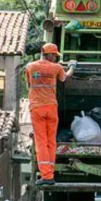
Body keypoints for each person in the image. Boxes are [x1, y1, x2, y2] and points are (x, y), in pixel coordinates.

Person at [26, 43, 77, 186]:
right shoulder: (57, 68)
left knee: (41, 142)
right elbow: (65, 78)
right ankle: (50, 172)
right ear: (48, 54)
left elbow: (30, 84)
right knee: (51, 142)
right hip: (51, 108)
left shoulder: (30, 67)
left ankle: (47, 175)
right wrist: (72, 66)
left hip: (37, 108)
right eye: (54, 55)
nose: (55, 57)